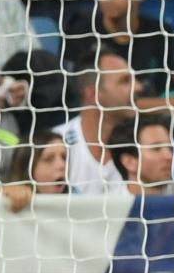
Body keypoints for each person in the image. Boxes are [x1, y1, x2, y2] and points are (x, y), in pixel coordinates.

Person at [63, 0, 174, 109]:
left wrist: (117, 105)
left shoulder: (161, 33)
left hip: (149, 128)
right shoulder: (79, 33)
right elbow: (77, 104)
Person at [54, 50, 136, 194]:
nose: (138, 88)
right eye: (125, 81)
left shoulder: (143, 143)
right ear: (93, 94)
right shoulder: (54, 144)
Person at [107, 115, 174, 197]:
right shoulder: (109, 206)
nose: (169, 156)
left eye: (169, 148)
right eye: (156, 149)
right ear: (129, 162)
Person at [2, 129, 69, 213]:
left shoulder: (77, 201)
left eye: (64, 157)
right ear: (27, 167)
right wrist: (6, 195)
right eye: (49, 159)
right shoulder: (3, 199)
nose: (62, 165)